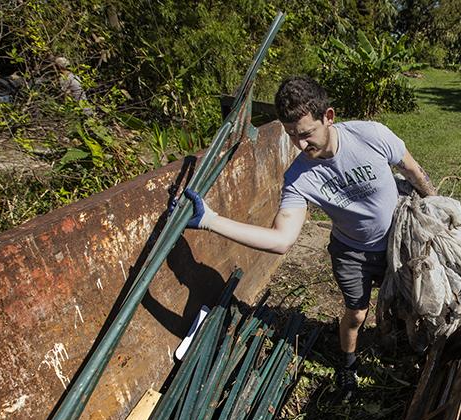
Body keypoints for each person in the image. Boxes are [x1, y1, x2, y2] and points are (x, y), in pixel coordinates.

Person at [182, 76, 437, 391]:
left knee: (405, 301)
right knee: (357, 313)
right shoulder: (298, 177)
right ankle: (348, 363)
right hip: (352, 252)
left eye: (305, 134)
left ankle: (403, 349)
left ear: (328, 117)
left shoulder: (371, 135)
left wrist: (438, 208)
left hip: (397, 243)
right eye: (291, 135)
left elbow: (413, 170)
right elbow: (282, 240)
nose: (300, 145)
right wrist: (211, 220)